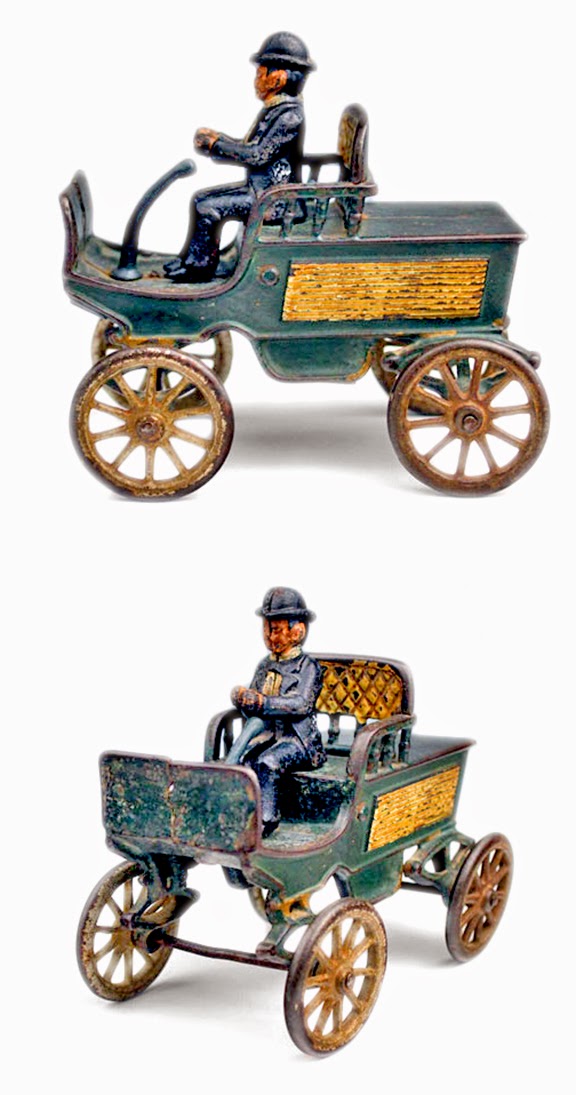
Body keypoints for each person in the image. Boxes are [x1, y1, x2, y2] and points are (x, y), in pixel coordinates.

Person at [165, 32, 315, 283]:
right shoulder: (278, 110)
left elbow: (257, 155)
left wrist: (217, 146)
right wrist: (220, 140)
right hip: (263, 191)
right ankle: (191, 260)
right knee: (201, 198)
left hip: (276, 201)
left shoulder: (289, 117)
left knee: (207, 207)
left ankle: (199, 268)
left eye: (260, 74)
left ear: (277, 79)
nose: (256, 81)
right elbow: (251, 147)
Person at [227, 587, 325, 836]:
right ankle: (241, 813)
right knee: (246, 759)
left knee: (267, 762)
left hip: (298, 741)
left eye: (277, 630)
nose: (271, 637)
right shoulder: (265, 664)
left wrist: (264, 703)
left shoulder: (308, 667)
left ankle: (267, 819)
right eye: (267, 630)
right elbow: (253, 699)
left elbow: (301, 704)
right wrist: (243, 699)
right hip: (269, 734)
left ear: (298, 631)